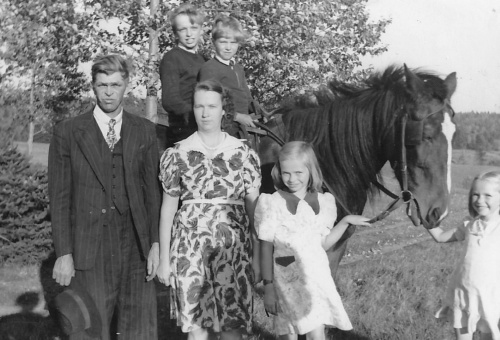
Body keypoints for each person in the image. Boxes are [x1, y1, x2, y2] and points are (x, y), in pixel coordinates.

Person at [48, 54, 161, 340]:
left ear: (126, 85)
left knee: (138, 331)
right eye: (102, 85)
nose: (109, 92)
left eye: (115, 84)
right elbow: (59, 197)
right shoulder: (69, 132)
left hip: (136, 246)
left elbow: (152, 195)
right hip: (90, 247)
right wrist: (63, 253)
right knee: (90, 328)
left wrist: (156, 244)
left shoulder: (145, 130)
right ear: (93, 86)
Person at [156, 80, 261, 340]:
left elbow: (254, 210)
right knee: (197, 326)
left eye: (211, 106)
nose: (205, 113)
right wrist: (163, 261)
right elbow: (168, 210)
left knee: (232, 325)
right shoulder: (177, 153)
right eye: (199, 106)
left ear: (224, 109)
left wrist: (258, 254)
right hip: (190, 246)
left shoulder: (243, 153)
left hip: (234, 248)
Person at [255, 141, 370, 340]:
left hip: (315, 279)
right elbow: (265, 248)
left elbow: (322, 244)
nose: (292, 179)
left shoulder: (324, 202)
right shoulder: (272, 203)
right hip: (286, 280)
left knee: (317, 333)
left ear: (311, 170)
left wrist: (345, 221)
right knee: (288, 333)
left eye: (299, 173)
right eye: (286, 173)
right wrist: (269, 287)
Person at [428, 171, 500, 340]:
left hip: (490, 297)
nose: (480, 200)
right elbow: (440, 237)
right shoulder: (469, 224)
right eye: (475, 194)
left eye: (487, 195)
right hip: (463, 295)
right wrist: (423, 219)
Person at [198, 15, 262, 138]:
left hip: (243, 126)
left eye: (233, 42)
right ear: (214, 42)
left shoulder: (238, 68)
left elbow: (247, 98)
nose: (228, 47)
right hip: (224, 127)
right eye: (223, 42)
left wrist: (258, 109)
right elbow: (208, 103)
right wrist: (237, 117)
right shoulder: (210, 68)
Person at [160, 4, 207, 149]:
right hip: (186, 125)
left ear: (201, 30)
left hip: (208, 122)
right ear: (175, 33)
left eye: (193, 28)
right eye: (182, 29)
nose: (189, 34)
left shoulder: (205, 59)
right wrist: (198, 113)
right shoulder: (172, 58)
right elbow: (170, 100)